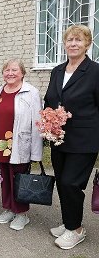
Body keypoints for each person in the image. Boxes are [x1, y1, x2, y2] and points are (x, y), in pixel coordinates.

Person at [44, 24, 99, 250]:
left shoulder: (95, 71)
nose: (73, 44)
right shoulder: (58, 70)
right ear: (64, 44)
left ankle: (76, 229)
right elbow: (50, 99)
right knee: (62, 182)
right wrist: (48, 119)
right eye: (70, 40)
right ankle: (69, 222)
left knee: (71, 183)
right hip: (59, 138)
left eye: (79, 40)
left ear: (88, 44)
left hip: (84, 139)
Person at [0, 58, 43, 230]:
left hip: (19, 145)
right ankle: (8, 208)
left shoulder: (31, 93)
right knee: (4, 178)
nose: (10, 73)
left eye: (14, 70)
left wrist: (36, 152)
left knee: (18, 179)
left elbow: (37, 123)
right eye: (7, 70)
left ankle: (22, 214)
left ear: (22, 73)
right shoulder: (0, 90)